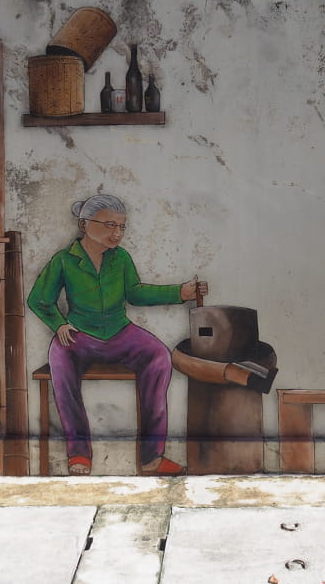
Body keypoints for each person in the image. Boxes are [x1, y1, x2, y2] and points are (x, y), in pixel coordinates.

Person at [28, 194, 208, 475]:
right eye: (110, 225)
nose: (117, 233)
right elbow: (39, 299)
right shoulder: (64, 260)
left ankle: (151, 458)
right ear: (85, 224)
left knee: (159, 355)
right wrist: (59, 324)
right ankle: (79, 454)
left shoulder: (121, 258)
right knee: (59, 358)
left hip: (119, 331)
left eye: (122, 227)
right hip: (79, 334)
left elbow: (135, 293)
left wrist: (179, 293)